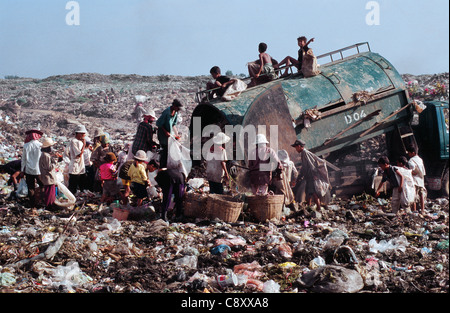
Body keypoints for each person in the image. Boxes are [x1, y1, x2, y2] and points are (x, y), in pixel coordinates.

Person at [291, 139, 330, 209]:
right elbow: (304, 167)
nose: (296, 149)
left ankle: (318, 208)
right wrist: (300, 177)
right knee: (308, 192)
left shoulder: (305, 153)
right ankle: (308, 207)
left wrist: (314, 175)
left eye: (296, 147)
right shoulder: (303, 153)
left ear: (299, 146)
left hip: (311, 176)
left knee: (314, 193)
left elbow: (312, 165)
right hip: (308, 176)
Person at [156, 99, 183, 168]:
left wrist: (177, 135)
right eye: (178, 108)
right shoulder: (166, 112)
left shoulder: (175, 113)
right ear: (174, 106)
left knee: (170, 150)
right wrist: (165, 132)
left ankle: (167, 165)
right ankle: (162, 167)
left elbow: (173, 124)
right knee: (165, 150)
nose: (178, 110)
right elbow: (159, 123)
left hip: (169, 134)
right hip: (163, 134)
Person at [21, 128, 44, 207]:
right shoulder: (41, 145)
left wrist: (22, 170)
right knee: (42, 185)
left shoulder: (26, 145)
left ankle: (32, 204)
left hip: (29, 170)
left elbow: (23, 159)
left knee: (31, 188)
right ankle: (42, 201)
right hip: (39, 170)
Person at [67, 125, 88, 195]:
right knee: (73, 185)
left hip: (80, 166)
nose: (83, 135)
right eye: (82, 134)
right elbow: (79, 154)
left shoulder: (79, 141)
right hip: (75, 166)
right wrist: (84, 144)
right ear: (78, 133)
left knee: (82, 184)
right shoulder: (74, 141)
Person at [406, 145, 427, 214]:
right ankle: (422, 210)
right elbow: (423, 171)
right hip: (421, 180)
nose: (408, 154)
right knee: (421, 195)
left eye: (409, 153)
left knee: (414, 195)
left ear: (413, 153)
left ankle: (414, 210)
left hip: (414, 181)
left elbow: (412, 170)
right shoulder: (420, 159)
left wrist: (411, 172)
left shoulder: (411, 160)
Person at [39, 137, 58, 210]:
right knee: (49, 192)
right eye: (51, 147)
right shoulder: (46, 155)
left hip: (46, 176)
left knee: (49, 192)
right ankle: (49, 205)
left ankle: (50, 205)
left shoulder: (44, 155)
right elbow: (49, 167)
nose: (52, 148)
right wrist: (55, 161)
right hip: (48, 177)